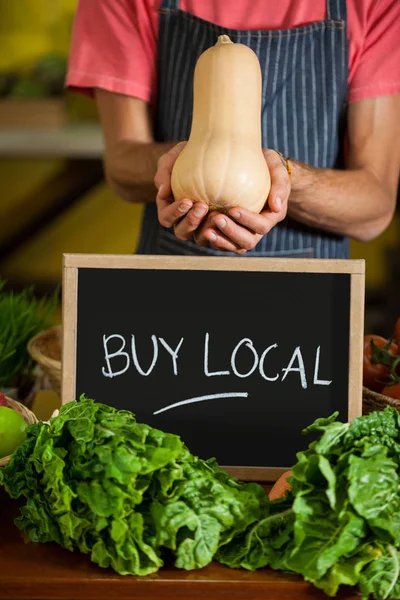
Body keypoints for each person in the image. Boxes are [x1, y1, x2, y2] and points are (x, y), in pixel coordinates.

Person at [67, 0, 400, 258]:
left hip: (309, 307)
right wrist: (179, 166)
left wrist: (283, 179)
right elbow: (121, 162)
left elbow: (376, 205)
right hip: (173, 292)